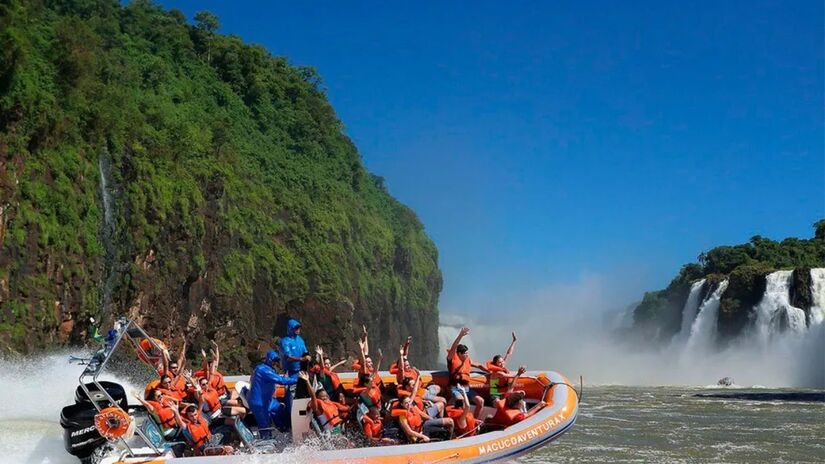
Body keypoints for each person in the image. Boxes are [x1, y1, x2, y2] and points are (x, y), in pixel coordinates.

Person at [248, 350, 298, 437]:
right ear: (269, 360)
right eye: (274, 360)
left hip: (268, 401)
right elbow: (280, 380)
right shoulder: (263, 370)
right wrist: (297, 379)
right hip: (259, 403)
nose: (275, 363)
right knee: (265, 426)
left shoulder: (268, 369)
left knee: (280, 408)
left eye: (277, 361)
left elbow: (279, 378)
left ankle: (284, 430)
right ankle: (266, 441)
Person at [446, 327, 487, 418]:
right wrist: (460, 335)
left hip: (466, 388)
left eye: (467, 353)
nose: (467, 355)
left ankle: (475, 421)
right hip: (455, 388)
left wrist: (490, 371)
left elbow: (479, 365)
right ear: (459, 354)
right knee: (461, 401)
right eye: (465, 353)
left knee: (481, 401)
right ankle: (462, 422)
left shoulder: (468, 360)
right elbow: (453, 348)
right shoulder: (452, 359)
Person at [487, 332, 517, 397]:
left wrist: (514, 341)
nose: (502, 363)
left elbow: (508, 353)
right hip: (495, 394)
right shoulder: (497, 372)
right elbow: (512, 376)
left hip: (503, 392)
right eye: (500, 362)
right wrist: (519, 373)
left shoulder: (502, 366)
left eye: (502, 361)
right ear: (496, 364)